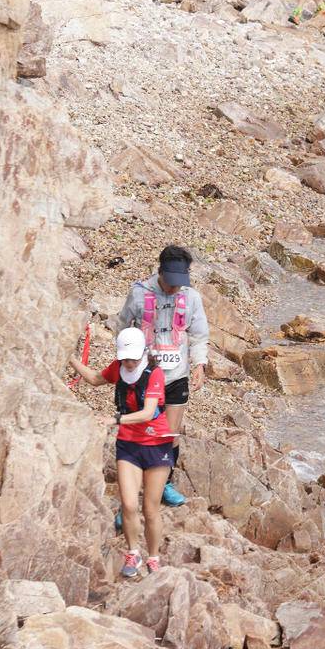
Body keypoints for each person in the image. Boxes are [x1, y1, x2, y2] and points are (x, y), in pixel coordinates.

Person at [70, 327, 174, 578]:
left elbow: (149, 412)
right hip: (128, 444)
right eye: (125, 358)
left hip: (156, 444)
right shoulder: (118, 368)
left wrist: (115, 419)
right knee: (128, 503)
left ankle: (154, 556)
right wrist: (71, 359)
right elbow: (95, 379)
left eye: (133, 358)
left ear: (142, 354)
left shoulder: (154, 374)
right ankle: (133, 553)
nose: (128, 362)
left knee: (150, 508)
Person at [116, 246, 209, 508]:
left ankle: (165, 482)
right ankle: (134, 487)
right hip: (145, 374)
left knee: (170, 432)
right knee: (142, 427)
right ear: (160, 272)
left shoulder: (191, 298)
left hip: (176, 373)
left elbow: (200, 334)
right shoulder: (139, 293)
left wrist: (200, 364)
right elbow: (122, 326)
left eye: (179, 284)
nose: (174, 289)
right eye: (170, 283)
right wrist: (127, 359)